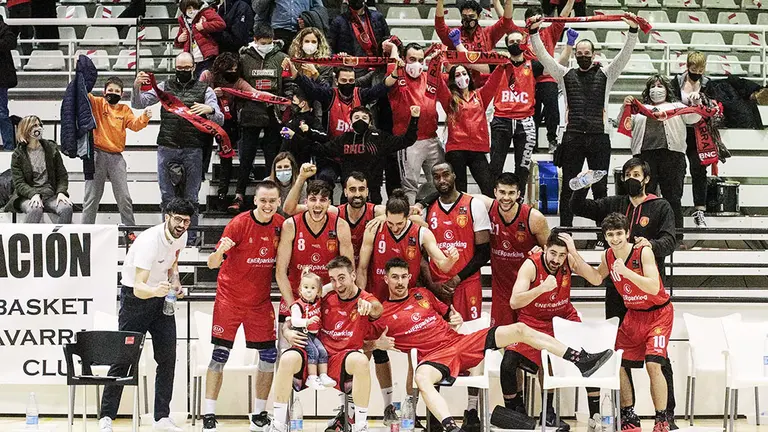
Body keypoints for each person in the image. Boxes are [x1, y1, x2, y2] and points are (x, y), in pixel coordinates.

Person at [369, 258, 614, 432]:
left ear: (409, 277)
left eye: (403, 276)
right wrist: (376, 343)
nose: (400, 281)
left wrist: (453, 317)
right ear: (386, 279)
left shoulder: (423, 294)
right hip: (433, 357)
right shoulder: (381, 313)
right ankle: (451, 427)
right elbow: (364, 344)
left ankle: (580, 360)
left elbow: (450, 315)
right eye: (395, 277)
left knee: (519, 329)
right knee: (422, 379)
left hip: (461, 342)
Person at [569, 158, 678, 428]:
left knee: (657, 361)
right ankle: (627, 414)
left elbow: (671, 240)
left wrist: (648, 245)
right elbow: (578, 207)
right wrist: (584, 184)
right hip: (620, 294)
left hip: (649, 289)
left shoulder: (660, 206)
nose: (631, 177)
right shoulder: (613, 203)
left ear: (646, 178)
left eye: (636, 174)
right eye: (627, 173)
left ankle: (666, 415)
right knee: (618, 357)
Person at [356, 188, 459, 424]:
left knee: (416, 353)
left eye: (398, 223)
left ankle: (410, 411)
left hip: (405, 299)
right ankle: (377, 407)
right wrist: (361, 296)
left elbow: (441, 263)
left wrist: (450, 260)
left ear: (407, 217)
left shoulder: (420, 231)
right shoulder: (375, 228)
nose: (393, 227)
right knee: (368, 352)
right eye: (390, 222)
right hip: (377, 300)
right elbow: (362, 267)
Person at [528, 14, 638, 227]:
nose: (583, 56)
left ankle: (604, 233)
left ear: (594, 54)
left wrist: (633, 31)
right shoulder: (564, 74)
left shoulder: (607, 74)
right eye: (579, 53)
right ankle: (565, 231)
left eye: (587, 53)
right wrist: (534, 32)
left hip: (599, 137)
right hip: (573, 137)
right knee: (569, 186)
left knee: (600, 188)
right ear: (574, 55)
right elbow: (543, 56)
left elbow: (624, 56)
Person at [98, 198, 195, 432]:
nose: (182, 225)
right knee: (124, 358)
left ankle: (161, 417)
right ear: (167, 216)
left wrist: (175, 282)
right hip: (136, 300)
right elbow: (138, 287)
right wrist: (156, 290)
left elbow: (174, 262)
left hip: (161, 300)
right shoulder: (149, 242)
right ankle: (106, 416)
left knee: (168, 358)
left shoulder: (181, 235)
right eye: (179, 219)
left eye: (187, 221)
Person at [202, 182, 285, 432]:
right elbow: (211, 264)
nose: (267, 205)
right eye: (263, 201)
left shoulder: (281, 225)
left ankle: (260, 414)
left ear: (278, 202)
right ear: (255, 201)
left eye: (272, 201)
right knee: (220, 355)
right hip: (230, 299)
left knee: (269, 356)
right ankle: (209, 415)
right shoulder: (239, 223)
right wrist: (220, 252)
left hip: (259, 302)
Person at [270, 256, 383, 432]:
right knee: (287, 359)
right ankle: (278, 425)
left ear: (353, 275)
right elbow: (293, 317)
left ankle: (360, 425)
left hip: (342, 357)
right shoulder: (323, 296)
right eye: (333, 280)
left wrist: (370, 307)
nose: (337, 284)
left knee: (361, 362)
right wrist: (287, 332)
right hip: (314, 354)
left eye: (342, 278)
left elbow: (377, 308)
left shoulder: (364, 299)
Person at [507, 232, 601, 430]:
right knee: (507, 364)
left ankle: (593, 415)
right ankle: (516, 413)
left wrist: (574, 252)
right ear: (545, 248)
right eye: (553, 253)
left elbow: (596, 279)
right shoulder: (531, 265)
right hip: (532, 320)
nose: (556, 259)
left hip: (563, 318)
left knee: (589, 356)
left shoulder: (569, 261)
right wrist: (541, 289)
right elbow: (515, 301)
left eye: (561, 255)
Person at [132, 53, 224, 245]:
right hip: (167, 146)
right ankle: (166, 238)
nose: (183, 71)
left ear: (193, 68)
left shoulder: (205, 90)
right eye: (179, 68)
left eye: (186, 68)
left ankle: (191, 239)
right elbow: (138, 103)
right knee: (167, 196)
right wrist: (136, 86)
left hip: (193, 148)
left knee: (191, 197)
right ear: (175, 68)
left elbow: (220, 119)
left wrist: (211, 110)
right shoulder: (165, 86)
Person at [624, 75, 702, 237]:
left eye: (660, 86)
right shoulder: (639, 109)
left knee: (673, 198)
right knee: (645, 197)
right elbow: (625, 124)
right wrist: (623, 108)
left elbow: (694, 117)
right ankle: (643, 235)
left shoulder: (677, 106)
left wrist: (696, 102)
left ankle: (676, 236)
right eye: (652, 86)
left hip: (672, 157)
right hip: (644, 158)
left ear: (667, 89)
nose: (656, 89)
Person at [297, 106, 420, 204]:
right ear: (350, 121)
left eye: (364, 117)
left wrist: (414, 118)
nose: (360, 120)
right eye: (356, 117)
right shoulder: (343, 139)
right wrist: (304, 135)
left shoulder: (380, 137)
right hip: (348, 195)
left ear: (370, 121)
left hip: (372, 195)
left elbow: (407, 140)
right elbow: (321, 150)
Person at [275, 179, 354, 325]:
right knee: (288, 343)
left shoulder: (340, 226)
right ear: (306, 202)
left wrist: (326, 291)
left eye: (323, 200)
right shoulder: (291, 225)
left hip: (329, 295)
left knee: (328, 345)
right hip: (295, 295)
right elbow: (280, 272)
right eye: (313, 199)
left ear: (329, 203)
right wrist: (294, 307)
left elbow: (348, 271)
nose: (317, 205)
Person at [231, 24, 289, 213]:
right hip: (249, 112)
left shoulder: (282, 58)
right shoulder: (243, 58)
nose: (267, 45)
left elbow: (288, 82)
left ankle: (273, 196)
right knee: (246, 157)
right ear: (255, 40)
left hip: (274, 113)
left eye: (270, 42)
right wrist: (252, 92)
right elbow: (234, 80)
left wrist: (284, 102)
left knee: (272, 157)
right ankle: (239, 194)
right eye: (263, 43)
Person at [82, 77, 151, 228]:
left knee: (124, 198)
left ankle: (130, 232)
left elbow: (134, 125)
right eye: (110, 90)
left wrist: (144, 117)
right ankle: (85, 233)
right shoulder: (97, 103)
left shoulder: (125, 110)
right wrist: (80, 70)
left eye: (117, 91)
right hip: (96, 155)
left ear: (122, 94)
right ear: (104, 91)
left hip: (116, 158)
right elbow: (83, 93)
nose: (113, 93)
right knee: (91, 198)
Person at [199, 52, 263, 209]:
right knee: (219, 157)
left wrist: (275, 98)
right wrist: (211, 94)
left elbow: (255, 93)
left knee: (231, 155)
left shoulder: (238, 82)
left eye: (235, 69)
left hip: (231, 123)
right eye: (229, 69)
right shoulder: (208, 76)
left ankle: (236, 191)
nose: (232, 72)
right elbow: (196, 94)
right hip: (209, 122)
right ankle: (221, 193)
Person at [382, 41, 443, 204]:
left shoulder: (429, 77)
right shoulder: (396, 75)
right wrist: (394, 49)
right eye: (412, 59)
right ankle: (408, 225)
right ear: (403, 59)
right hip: (409, 142)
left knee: (441, 183)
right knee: (409, 186)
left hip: (432, 138)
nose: (417, 64)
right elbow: (391, 69)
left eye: (420, 60)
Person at [436, 61, 506, 196]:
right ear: (452, 79)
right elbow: (437, 81)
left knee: (489, 187)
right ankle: (460, 216)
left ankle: (490, 217)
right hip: (456, 149)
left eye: (464, 73)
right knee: (459, 190)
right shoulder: (449, 98)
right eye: (457, 75)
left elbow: (493, 81)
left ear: (469, 75)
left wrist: (501, 64)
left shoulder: (480, 95)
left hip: (478, 149)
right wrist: (436, 62)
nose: (461, 77)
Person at [488, 32, 547, 186]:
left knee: (523, 167)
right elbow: (471, 62)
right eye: (511, 41)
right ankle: (494, 201)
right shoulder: (498, 62)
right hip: (501, 119)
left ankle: (518, 200)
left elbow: (555, 66)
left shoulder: (533, 65)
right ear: (507, 44)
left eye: (518, 41)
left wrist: (568, 46)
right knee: (495, 165)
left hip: (525, 121)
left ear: (523, 43)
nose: (515, 43)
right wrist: (456, 45)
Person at [3, 116, 73, 223]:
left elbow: (62, 175)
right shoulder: (18, 154)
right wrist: (34, 194)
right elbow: (19, 183)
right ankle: (27, 238)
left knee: (66, 208)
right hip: (27, 196)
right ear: (27, 129)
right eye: (35, 125)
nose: (38, 128)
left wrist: (61, 192)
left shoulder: (51, 149)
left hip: (50, 194)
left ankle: (59, 238)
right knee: (35, 209)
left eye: (40, 125)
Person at [669, 51, 711, 228]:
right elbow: (669, 101)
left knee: (699, 170)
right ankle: (672, 208)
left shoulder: (707, 84)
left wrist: (701, 99)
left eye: (701, 69)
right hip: (678, 130)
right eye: (694, 68)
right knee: (676, 170)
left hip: (698, 132)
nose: (697, 72)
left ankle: (700, 209)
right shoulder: (675, 82)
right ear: (687, 66)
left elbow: (713, 105)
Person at [434, 0, 514, 76]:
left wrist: (509, 2)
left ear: (479, 16)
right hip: (458, 82)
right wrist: (440, 1)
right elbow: (440, 26)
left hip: (484, 82)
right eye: (464, 16)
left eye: (471, 16)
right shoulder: (454, 35)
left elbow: (506, 23)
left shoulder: (488, 34)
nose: (468, 19)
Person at [290, 270, 337, 389]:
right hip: (302, 334)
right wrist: (307, 322)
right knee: (313, 352)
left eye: (312, 288)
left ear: (317, 291)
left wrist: (338, 283)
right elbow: (294, 321)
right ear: (300, 289)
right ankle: (312, 377)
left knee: (322, 351)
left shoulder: (318, 300)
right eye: (305, 287)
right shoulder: (297, 305)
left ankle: (323, 375)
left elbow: (327, 288)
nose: (309, 290)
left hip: (314, 335)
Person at [175, 0, 227, 78]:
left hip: (207, 57)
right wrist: (179, 39)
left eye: (194, 7)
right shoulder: (183, 20)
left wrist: (204, 26)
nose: (192, 10)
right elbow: (178, 43)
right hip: (193, 60)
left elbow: (221, 24)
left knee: (206, 80)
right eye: (189, 8)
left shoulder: (206, 12)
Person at [267, 151, 306, 217]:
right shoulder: (267, 183)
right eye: (279, 167)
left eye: (286, 166)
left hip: (294, 220)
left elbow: (303, 207)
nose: (283, 170)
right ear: (274, 169)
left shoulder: (302, 183)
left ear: (292, 168)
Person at [0, 15, 17, 150]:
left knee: (2, 113)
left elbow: (11, 42)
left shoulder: (3, 28)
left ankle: (9, 147)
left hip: (1, 79)